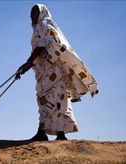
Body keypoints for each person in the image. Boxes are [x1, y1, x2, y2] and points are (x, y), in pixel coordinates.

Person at [15, 4, 99, 141]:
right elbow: (39, 49)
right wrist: (27, 66)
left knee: (53, 100)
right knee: (53, 100)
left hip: (52, 70)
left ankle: (46, 132)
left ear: (42, 12)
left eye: (35, 12)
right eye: (31, 13)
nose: (32, 15)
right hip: (45, 71)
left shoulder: (44, 24)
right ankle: (56, 133)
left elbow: (44, 46)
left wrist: (26, 65)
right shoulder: (39, 27)